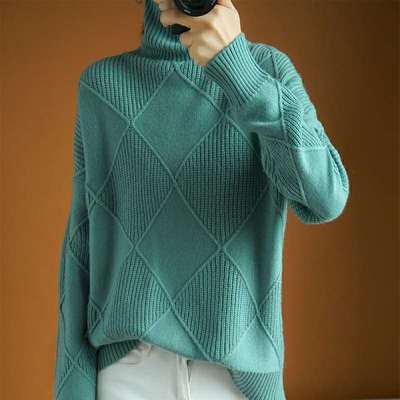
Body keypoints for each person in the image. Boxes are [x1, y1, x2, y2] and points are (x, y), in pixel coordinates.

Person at [53, 0, 350, 399]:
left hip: (236, 379)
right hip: (130, 371)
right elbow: (82, 246)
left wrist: (240, 73)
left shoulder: (266, 70)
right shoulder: (103, 85)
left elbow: (326, 198)